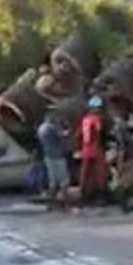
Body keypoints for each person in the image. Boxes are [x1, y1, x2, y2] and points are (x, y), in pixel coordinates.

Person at [35, 46, 82, 207]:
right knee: (55, 157)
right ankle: (60, 188)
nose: (63, 67)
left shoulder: (71, 84)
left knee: (53, 157)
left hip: (57, 128)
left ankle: (57, 189)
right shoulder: (47, 83)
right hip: (54, 128)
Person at [77, 95, 108, 205]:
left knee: (84, 173)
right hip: (96, 148)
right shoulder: (97, 120)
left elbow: (79, 134)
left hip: (85, 149)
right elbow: (99, 133)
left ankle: (83, 194)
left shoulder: (85, 119)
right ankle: (101, 195)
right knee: (100, 173)